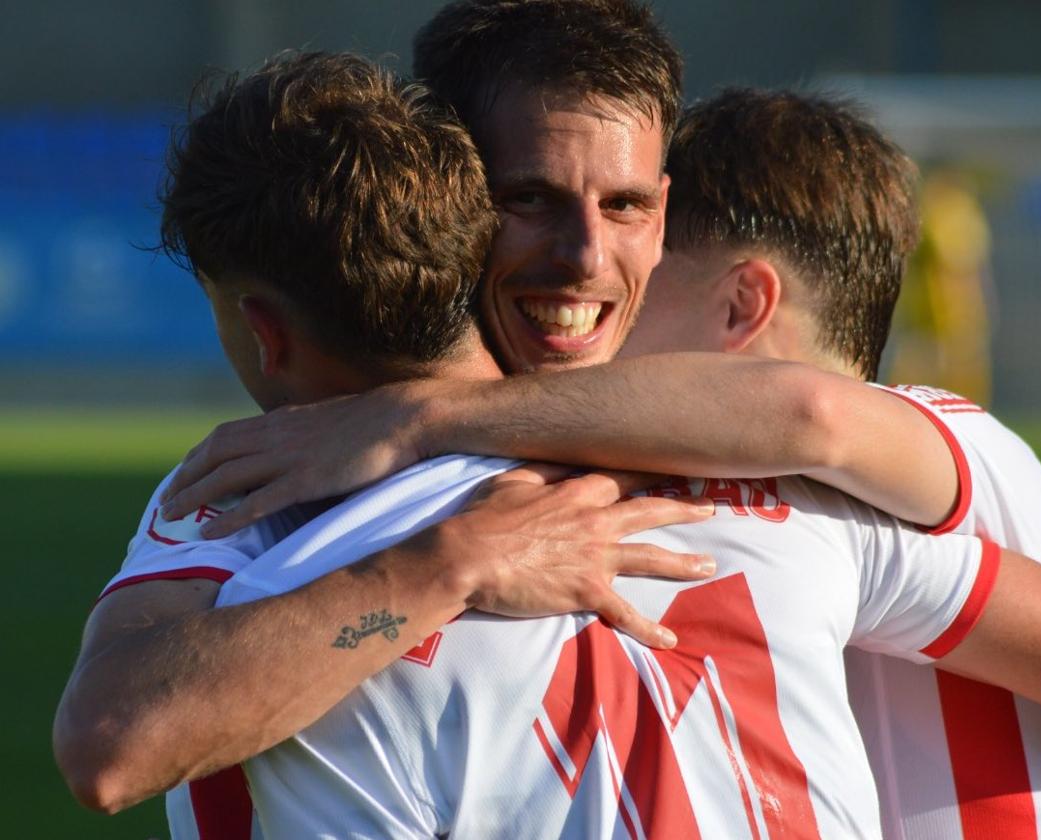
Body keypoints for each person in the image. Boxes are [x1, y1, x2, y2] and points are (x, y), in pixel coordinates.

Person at [126, 25, 1041, 840]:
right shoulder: (281, 491)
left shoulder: (827, 473)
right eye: (531, 198)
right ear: (458, 202)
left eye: (631, 208)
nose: (588, 258)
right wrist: (444, 554)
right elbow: (116, 741)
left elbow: (814, 414)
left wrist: (424, 418)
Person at [52, 49, 718, 828]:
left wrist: (451, 560)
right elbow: (819, 411)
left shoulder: (246, 484)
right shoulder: (712, 451)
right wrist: (465, 553)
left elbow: (110, 744)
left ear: (264, 332)